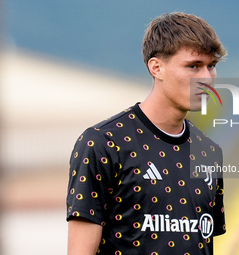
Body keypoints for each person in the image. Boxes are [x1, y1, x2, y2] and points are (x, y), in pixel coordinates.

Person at [66, 12, 226, 255]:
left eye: (211, 66)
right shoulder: (104, 144)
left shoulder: (210, 152)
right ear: (156, 68)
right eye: (193, 66)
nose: (206, 78)